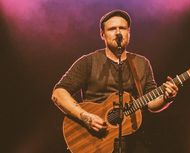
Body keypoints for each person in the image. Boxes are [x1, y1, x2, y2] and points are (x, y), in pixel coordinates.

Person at [51, 9, 179, 153]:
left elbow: (151, 103)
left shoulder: (141, 63)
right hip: (94, 138)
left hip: (132, 140)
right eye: (112, 29)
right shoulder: (89, 62)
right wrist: (85, 116)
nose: (118, 32)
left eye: (122, 28)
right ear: (102, 34)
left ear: (129, 32)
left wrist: (167, 98)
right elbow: (58, 93)